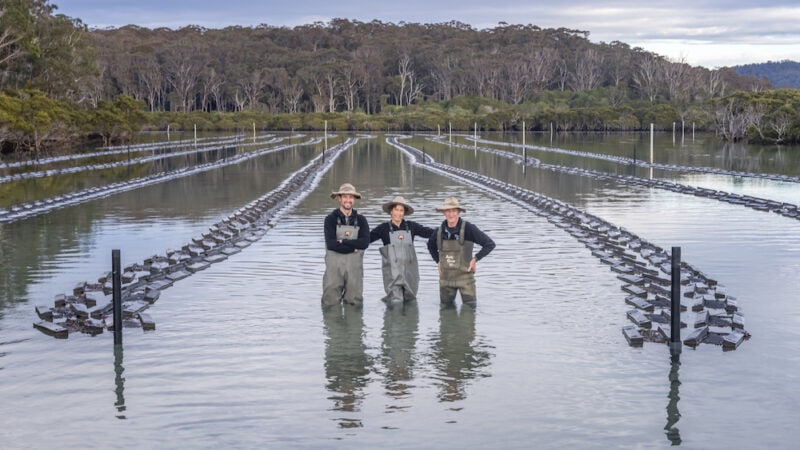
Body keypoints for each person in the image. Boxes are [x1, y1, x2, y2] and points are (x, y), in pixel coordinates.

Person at [427, 196, 495, 308]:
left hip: (466, 279)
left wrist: (475, 259)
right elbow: (430, 246)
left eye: (454, 211)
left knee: (469, 311)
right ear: (444, 212)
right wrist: (437, 261)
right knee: (445, 314)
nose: (451, 214)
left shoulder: (469, 228)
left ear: (458, 212)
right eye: (448, 211)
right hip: (446, 280)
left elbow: (489, 244)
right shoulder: (439, 231)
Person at [369, 196, 435, 305]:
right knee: (396, 302)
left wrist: (446, 231)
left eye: (401, 210)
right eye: (396, 210)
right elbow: (367, 239)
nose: (398, 213)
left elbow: (429, 232)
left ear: (404, 213)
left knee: (411, 302)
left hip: (410, 272)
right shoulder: (383, 228)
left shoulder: (412, 226)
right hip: (392, 273)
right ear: (391, 211)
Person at [322, 183, 370, 307]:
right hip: (334, 268)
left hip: (354, 269)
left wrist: (344, 242)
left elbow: (365, 243)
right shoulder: (330, 219)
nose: (348, 200)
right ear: (340, 198)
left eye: (351, 197)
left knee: (354, 303)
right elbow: (331, 244)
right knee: (330, 302)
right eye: (345, 197)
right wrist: (354, 246)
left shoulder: (361, 220)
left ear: (354, 199)